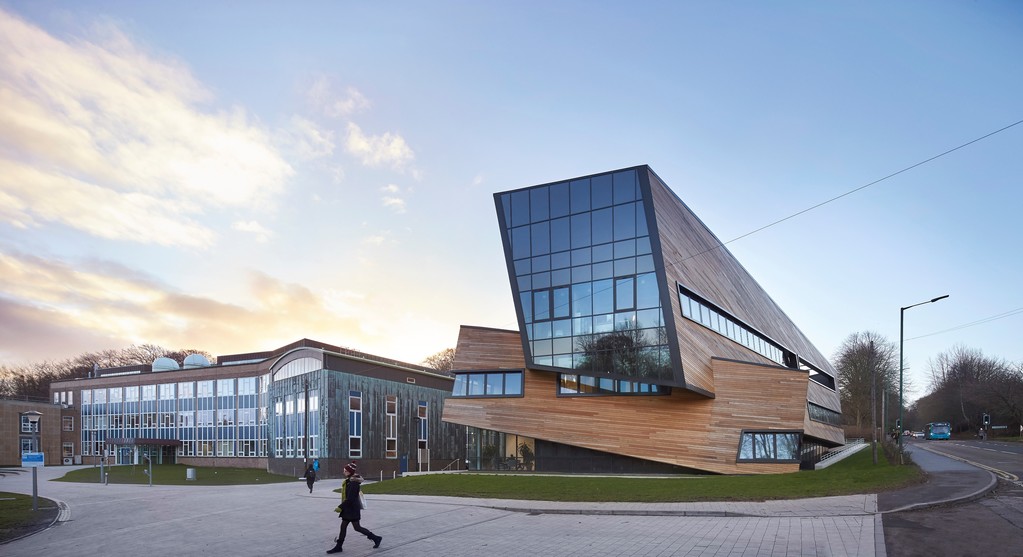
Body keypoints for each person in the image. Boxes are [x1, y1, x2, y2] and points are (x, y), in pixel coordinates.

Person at [326, 462, 382, 554]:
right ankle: (339, 546)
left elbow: (350, 499)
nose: (343, 472)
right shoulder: (349, 481)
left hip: (352, 509)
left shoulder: (353, 483)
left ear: (350, 472)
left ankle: (376, 538)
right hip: (348, 508)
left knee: (357, 527)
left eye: (345, 471)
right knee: (344, 526)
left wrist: (340, 507)